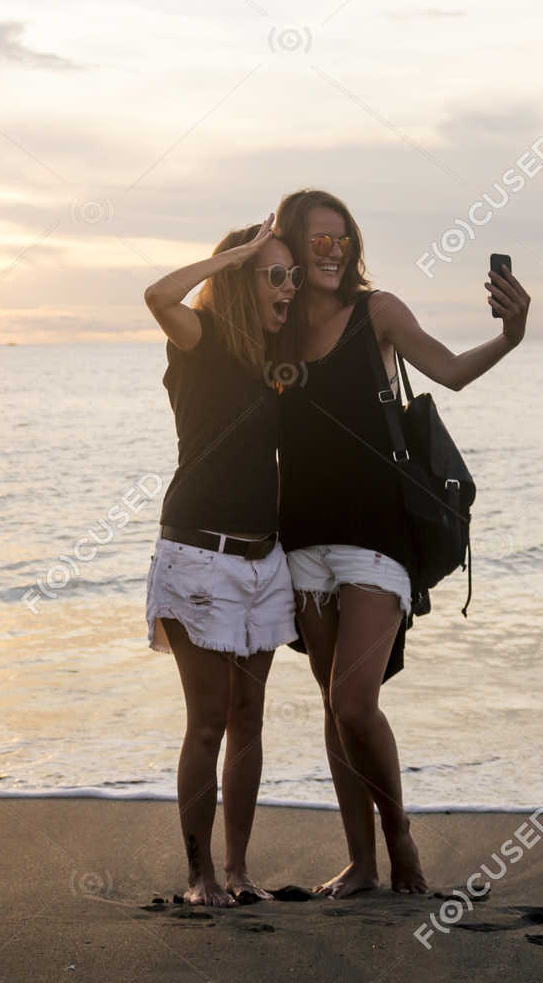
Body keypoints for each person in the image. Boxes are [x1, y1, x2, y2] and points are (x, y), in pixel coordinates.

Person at [272, 188, 530, 897]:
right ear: (291, 246)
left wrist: (510, 336)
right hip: (301, 540)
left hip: (378, 539)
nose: (334, 252)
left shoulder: (377, 312)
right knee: (333, 705)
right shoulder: (277, 327)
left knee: (355, 703)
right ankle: (361, 861)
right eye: (317, 241)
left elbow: (448, 371)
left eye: (343, 239)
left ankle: (399, 839)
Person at [141, 216, 304, 906]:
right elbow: (156, 295)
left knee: (248, 720)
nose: (290, 288)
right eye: (277, 274)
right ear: (241, 278)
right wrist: (232, 255)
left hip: (262, 563)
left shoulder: (273, 365)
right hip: (197, 558)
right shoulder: (200, 343)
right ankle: (198, 876)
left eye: (293, 276)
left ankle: (238, 872)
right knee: (207, 720)